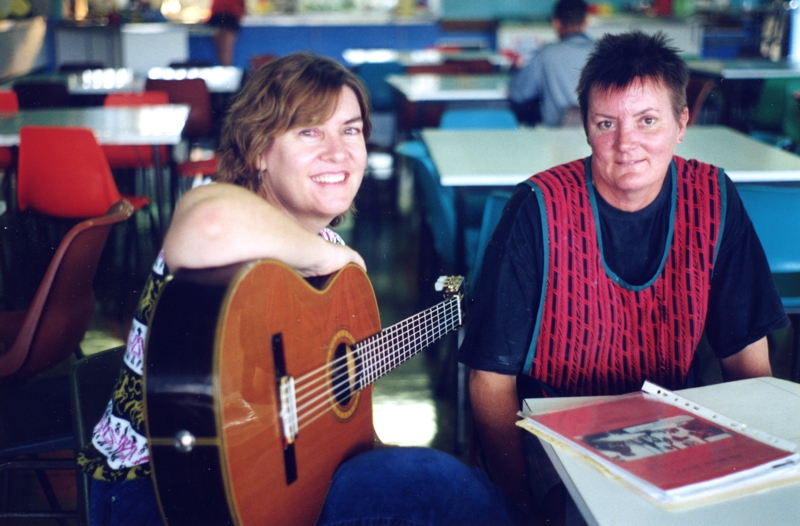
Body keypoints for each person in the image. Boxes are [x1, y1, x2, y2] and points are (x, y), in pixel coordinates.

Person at [79, 52, 528, 526]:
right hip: (159, 495)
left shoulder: (328, 249)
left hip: (271, 479)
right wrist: (329, 256)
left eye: (351, 130)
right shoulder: (231, 217)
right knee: (439, 486)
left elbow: (332, 423)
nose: (339, 153)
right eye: (310, 131)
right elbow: (205, 224)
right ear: (258, 150)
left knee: (441, 485)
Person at [459, 30, 788, 524]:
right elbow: (490, 379)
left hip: (676, 430)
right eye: (606, 123)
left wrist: (758, 482)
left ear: (682, 123)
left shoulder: (713, 198)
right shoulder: (539, 210)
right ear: (587, 129)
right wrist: (520, 500)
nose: (626, 144)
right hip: (555, 437)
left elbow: (746, 360)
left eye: (648, 121)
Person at [508, 0, 594, 127]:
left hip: (557, 137)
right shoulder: (603, 51)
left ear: (556, 23)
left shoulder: (547, 54)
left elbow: (519, 92)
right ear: (586, 21)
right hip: (598, 136)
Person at [207, 0, 245, 66]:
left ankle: (225, 68)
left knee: (223, 48)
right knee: (226, 48)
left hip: (220, 16)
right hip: (228, 16)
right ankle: (226, 68)